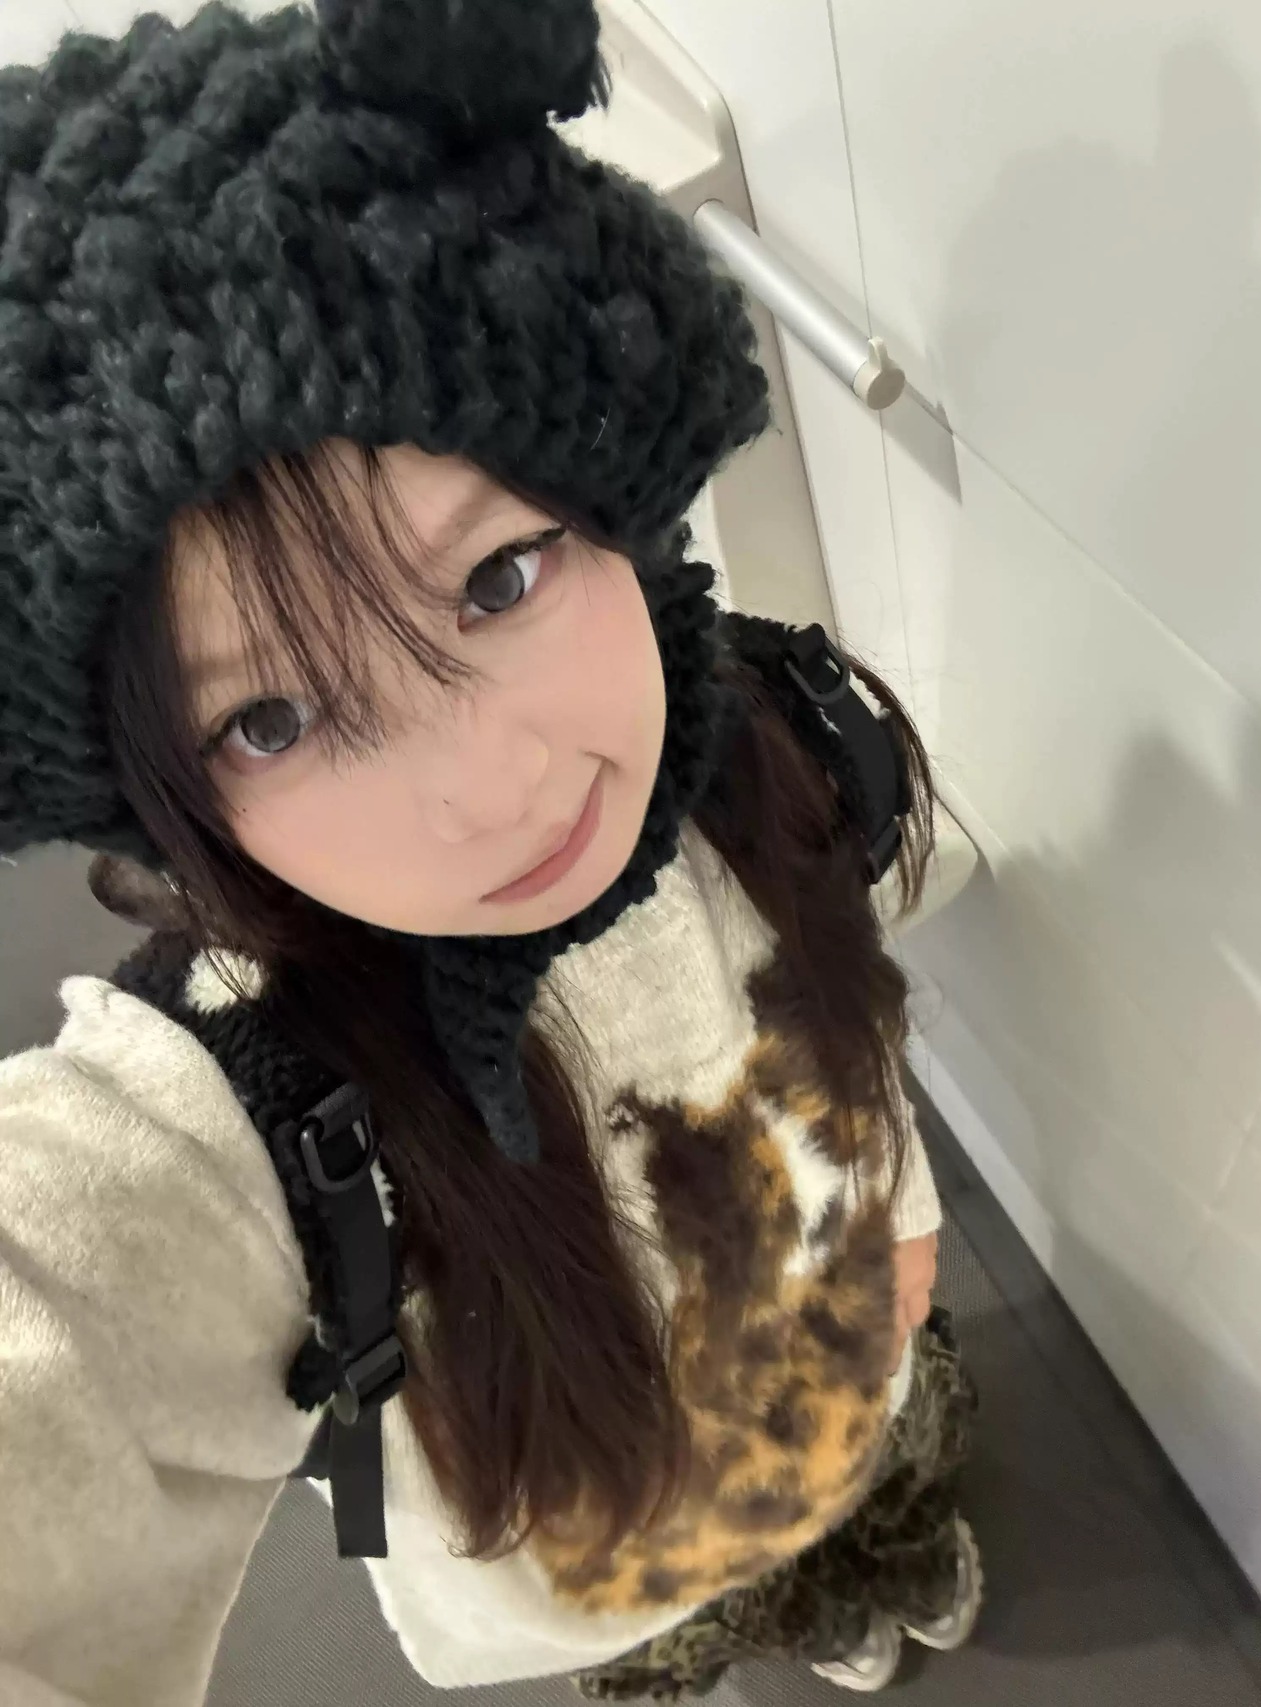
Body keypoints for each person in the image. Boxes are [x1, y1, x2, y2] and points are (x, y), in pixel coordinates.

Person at [0, 0, 979, 1701]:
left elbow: (847, 1026)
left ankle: (865, 1556)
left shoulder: (751, 743)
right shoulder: (245, 1108)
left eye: (497, 579)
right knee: (699, 1639)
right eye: (272, 719)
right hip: (590, 1581)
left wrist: (902, 1217)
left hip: (853, 1385)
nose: (491, 784)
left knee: (882, 1492)